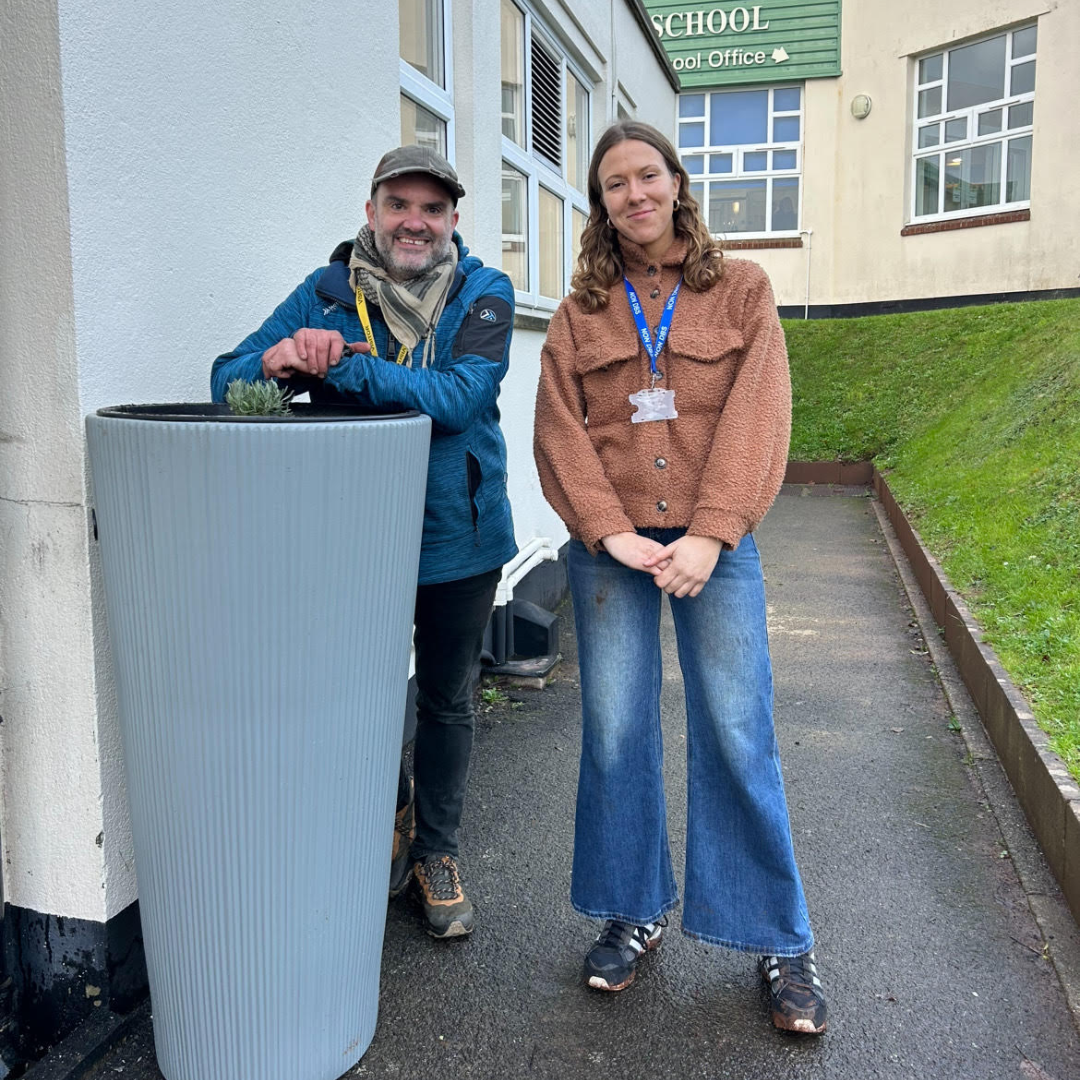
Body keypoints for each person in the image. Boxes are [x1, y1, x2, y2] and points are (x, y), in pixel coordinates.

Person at [533, 121, 827, 1034]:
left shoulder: (741, 291)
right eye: (614, 183)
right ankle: (635, 911)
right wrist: (608, 532)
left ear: (675, 181)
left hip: (716, 548)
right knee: (617, 732)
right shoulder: (581, 312)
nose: (634, 195)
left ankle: (777, 937)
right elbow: (558, 428)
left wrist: (713, 531)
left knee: (738, 732)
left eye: (647, 175)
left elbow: (758, 411)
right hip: (611, 552)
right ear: (601, 202)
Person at [212, 145, 517, 940]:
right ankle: (390, 814)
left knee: (447, 701)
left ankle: (438, 852)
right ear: (373, 210)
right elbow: (226, 379)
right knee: (366, 696)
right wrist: (279, 361)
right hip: (353, 541)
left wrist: (341, 367)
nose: (415, 222)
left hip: (460, 536)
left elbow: (458, 397)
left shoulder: (484, 292)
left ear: (453, 219)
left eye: (433, 208)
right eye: (399, 204)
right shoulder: (323, 291)